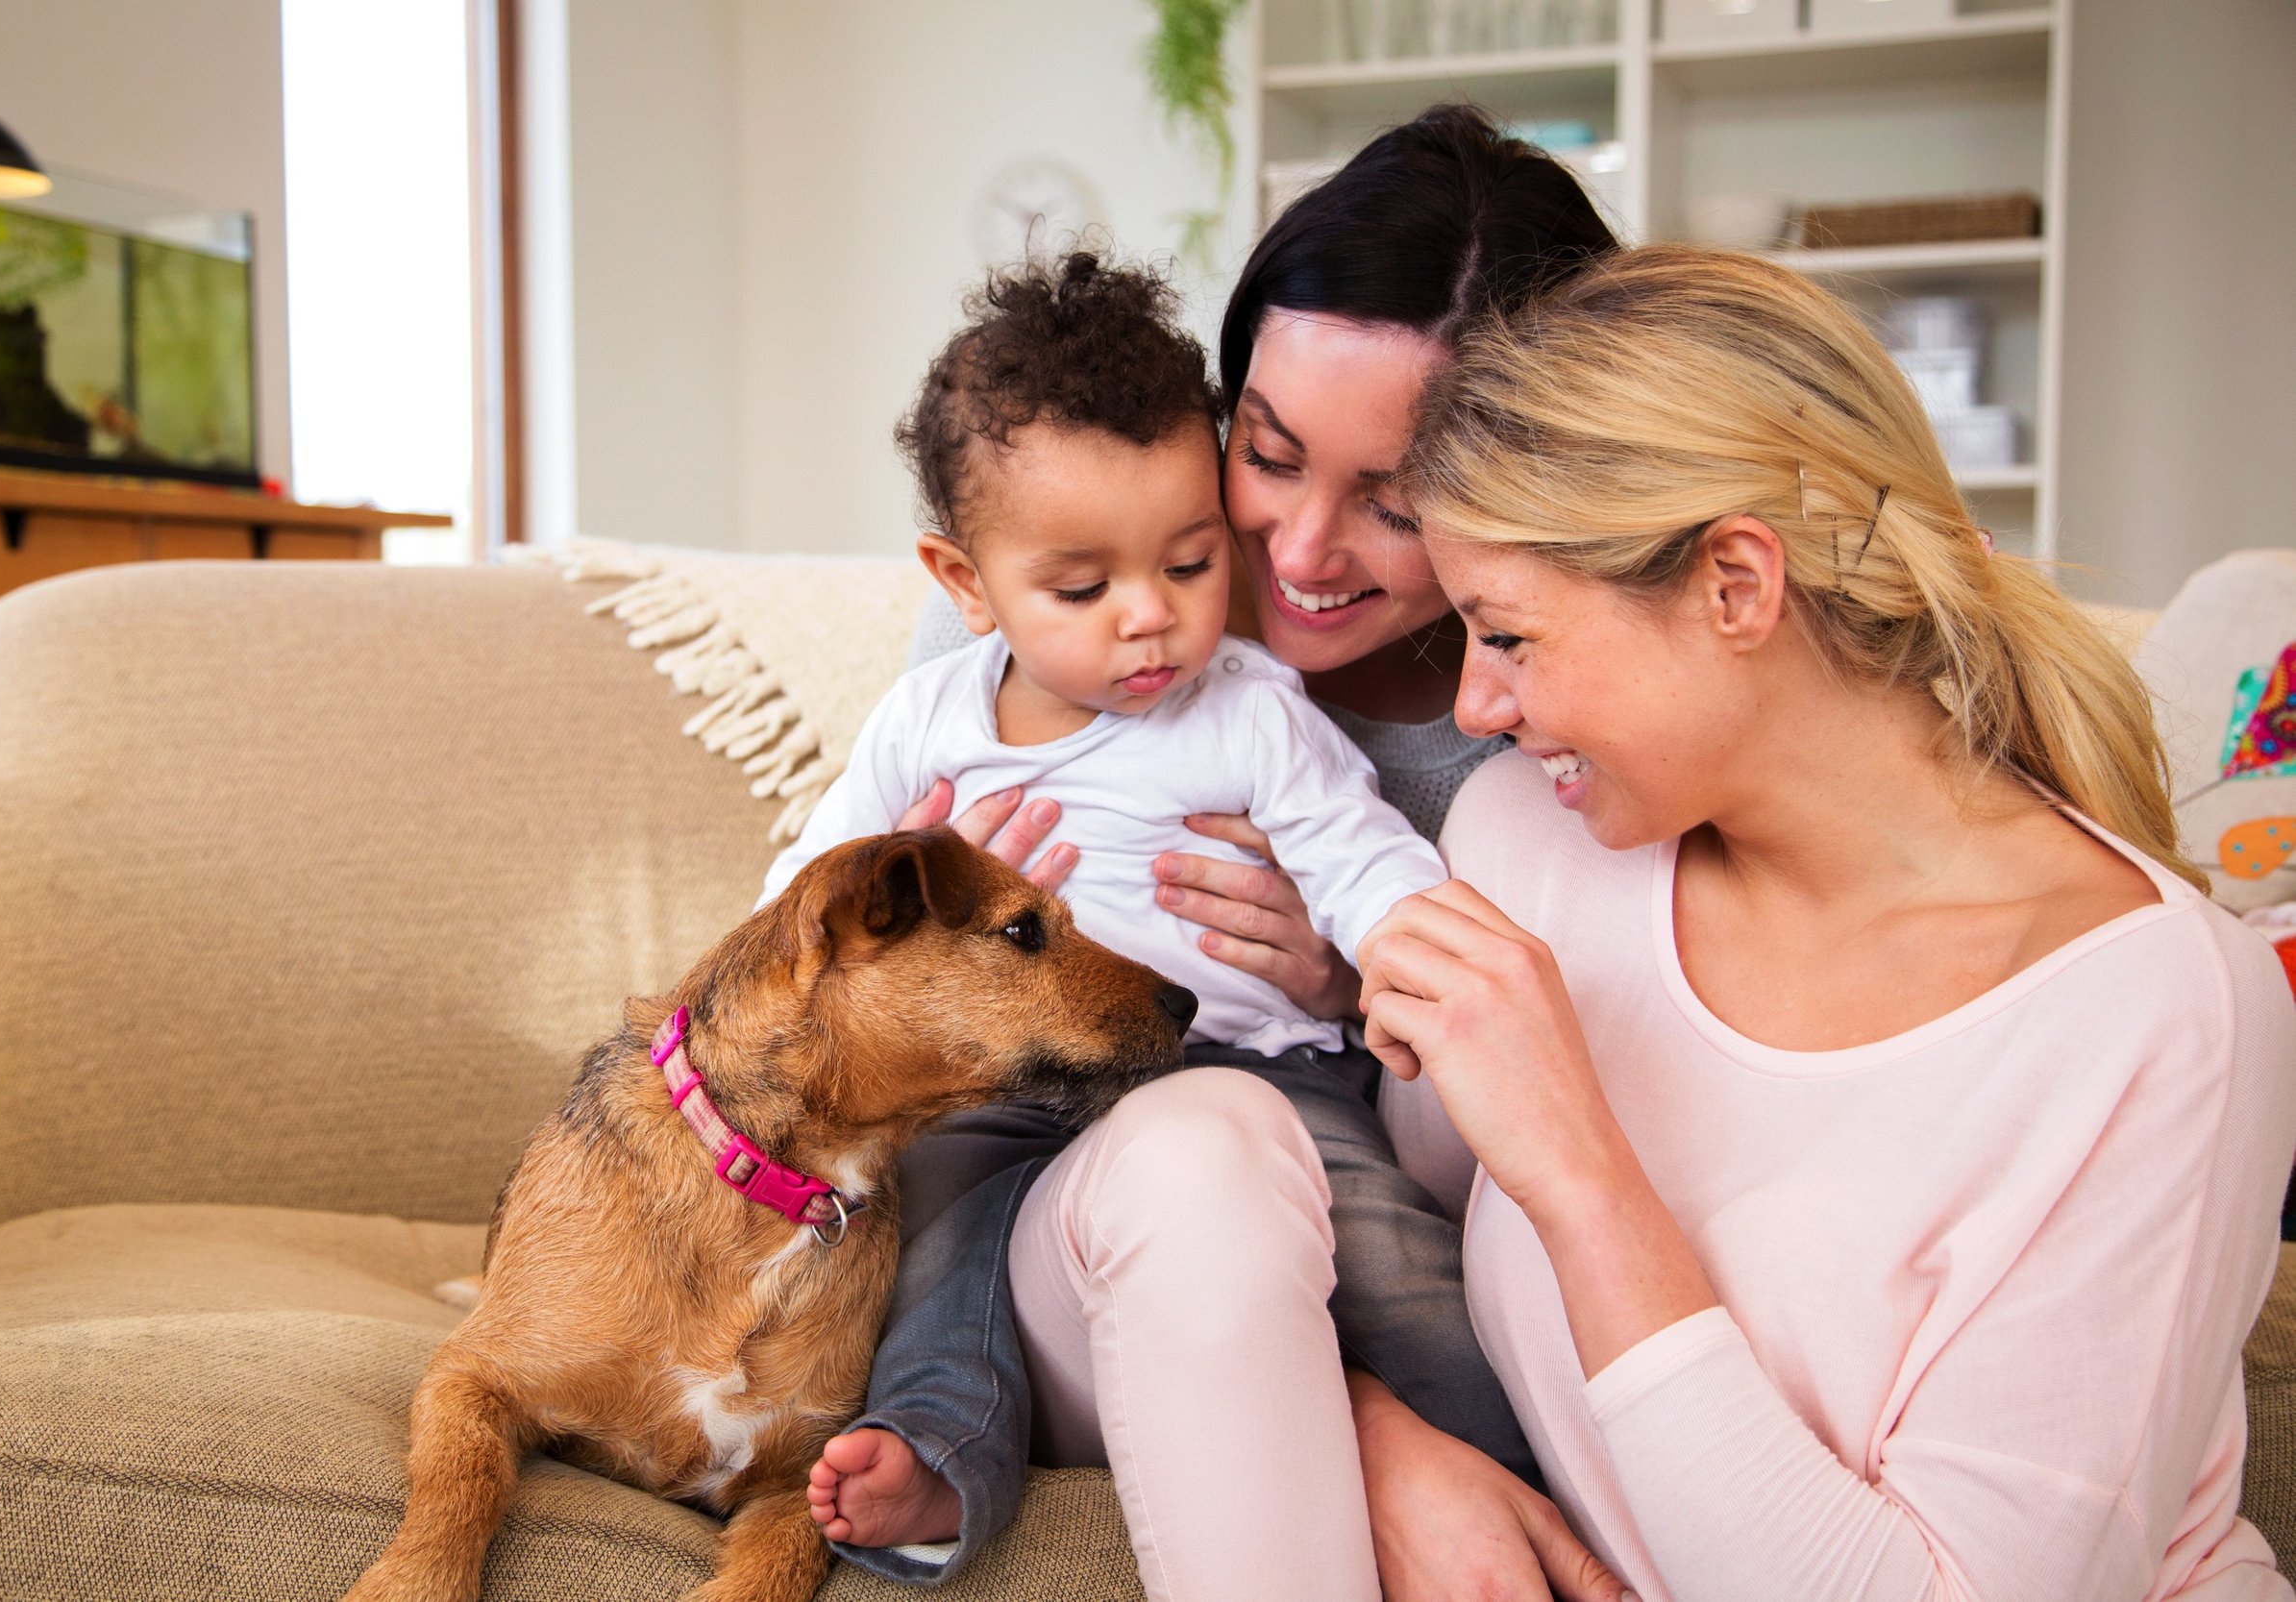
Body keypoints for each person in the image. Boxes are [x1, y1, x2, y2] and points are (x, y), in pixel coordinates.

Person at [1350, 242, 2296, 1600]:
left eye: (1509, 635)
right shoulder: (1527, 846)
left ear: (1737, 583)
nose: (1478, 710)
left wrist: (1583, 1169)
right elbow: (1396, 1268)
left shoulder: (2156, 1010)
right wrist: (1383, 1445)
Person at [802, 108, 1628, 1602]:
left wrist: (1341, 978)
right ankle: (942, 1449)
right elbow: (803, 917)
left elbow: (1480, 1037)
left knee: (1323, 1206)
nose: (1299, 554)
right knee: (991, 1232)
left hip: (1279, 1117)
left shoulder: (1530, 725)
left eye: (1396, 500)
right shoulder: (1011, 621)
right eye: (1270, 452)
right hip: (1041, 1162)